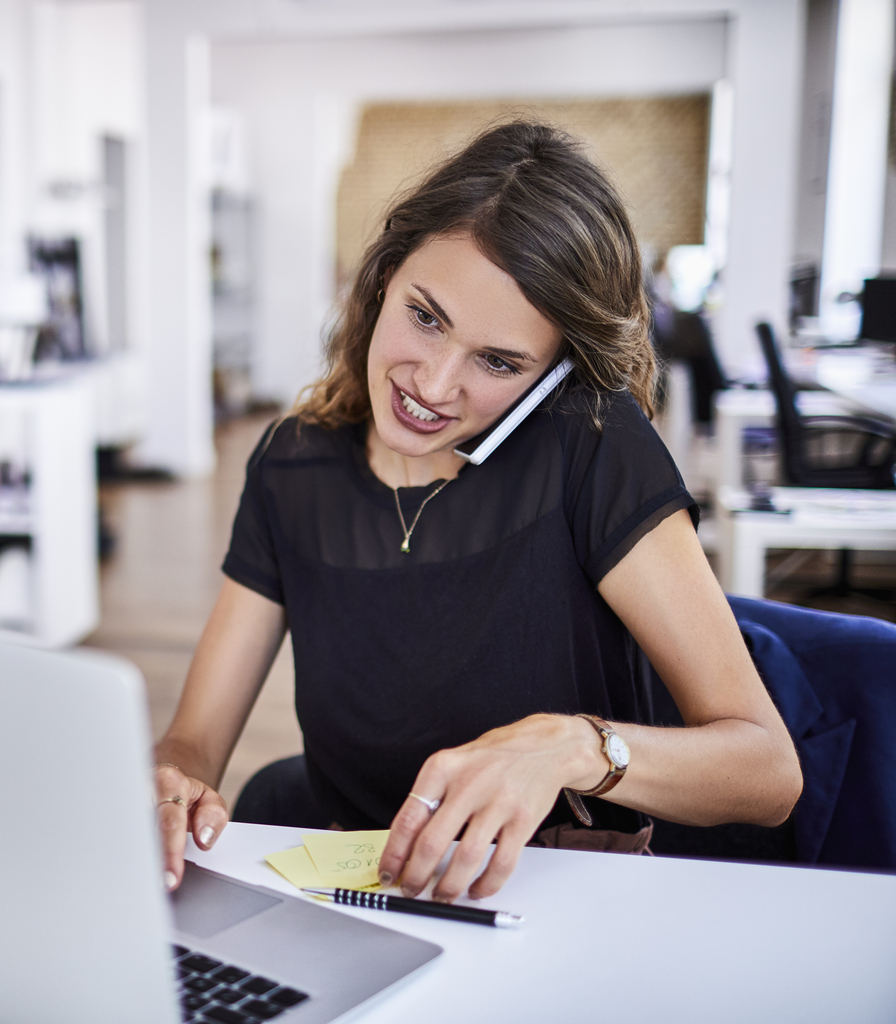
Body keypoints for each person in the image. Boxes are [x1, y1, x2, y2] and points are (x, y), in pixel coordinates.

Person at [152, 121, 801, 904]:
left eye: (498, 362)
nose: (433, 383)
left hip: (550, 893)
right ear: (383, 276)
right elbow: (195, 739)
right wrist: (174, 784)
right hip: (358, 893)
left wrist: (572, 746)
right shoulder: (293, 464)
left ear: (555, 370)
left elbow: (768, 772)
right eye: (425, 316)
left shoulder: (590, 446)